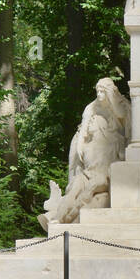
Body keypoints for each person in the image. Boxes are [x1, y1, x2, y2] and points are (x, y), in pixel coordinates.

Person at [40, 79, 130, 229]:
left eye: (103, 91)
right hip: (87, 173)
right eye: (98, 91)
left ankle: (65, 219)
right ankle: (56, 217)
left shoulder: (114, 138)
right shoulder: (91, 116)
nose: (99, 95)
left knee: (88, 191)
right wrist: (81, 143)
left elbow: (121, 117)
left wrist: (112, 98)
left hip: (103, 175)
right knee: (74, 189)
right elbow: (81, 135)